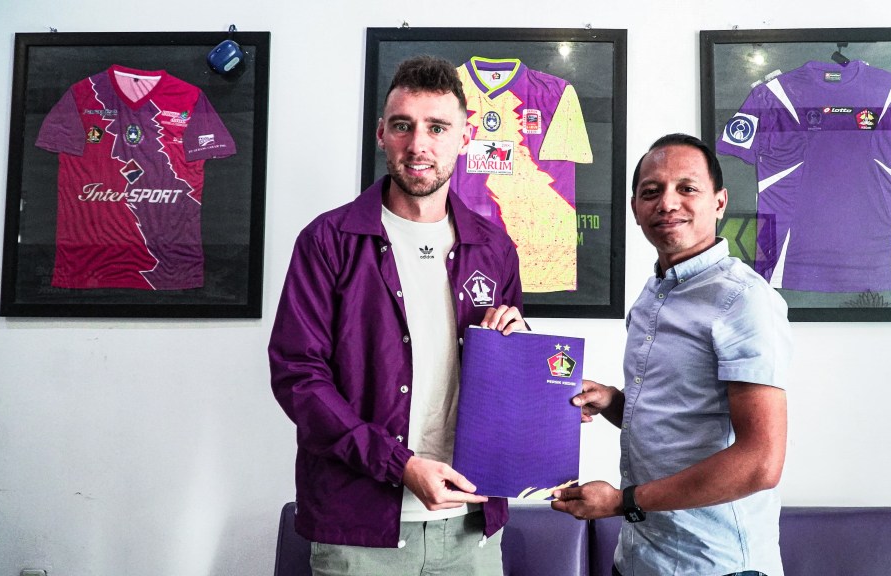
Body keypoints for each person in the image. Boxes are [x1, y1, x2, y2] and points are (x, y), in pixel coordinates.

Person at [269, 55, 526, 576]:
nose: (418, 145)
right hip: (357, 528)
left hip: (471, 523)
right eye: (403, 126)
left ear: (466, 137)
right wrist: (399, 465)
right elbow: (299, 377)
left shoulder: (495, 247)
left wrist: (519, 350)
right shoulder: (328, 241)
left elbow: (506, 380)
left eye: (437, 127)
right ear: (381, 133)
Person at [551, 133, 792, 576]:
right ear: (635, 208)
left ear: (719, 202)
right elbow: (679, 418)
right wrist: (613, 401)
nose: (667, 203)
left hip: (714, 564)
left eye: (687, 188)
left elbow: (760, 463)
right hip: (640, 557)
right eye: (651, 192)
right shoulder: (652, 294)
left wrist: (623, 502)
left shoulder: (744, 299)